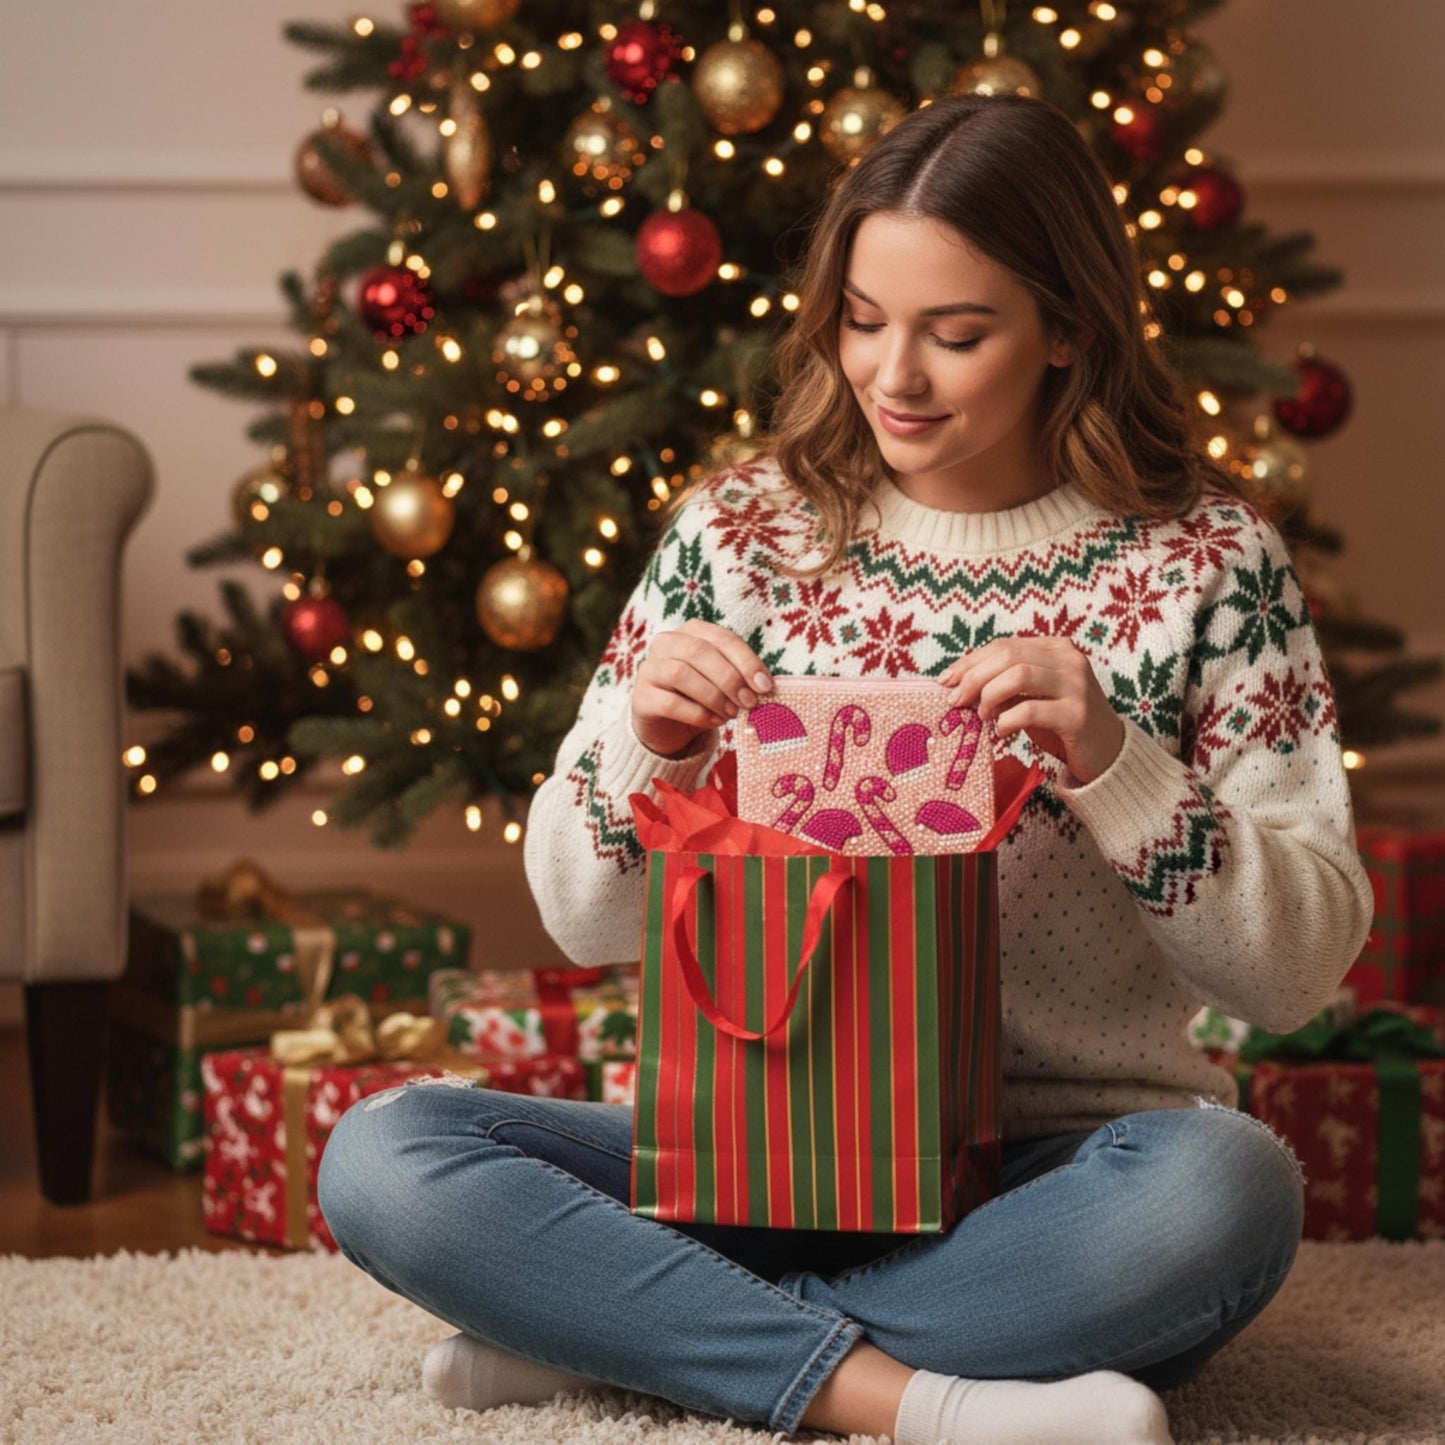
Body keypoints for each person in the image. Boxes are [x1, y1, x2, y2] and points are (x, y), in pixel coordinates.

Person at [318, 92, 1373, 1445]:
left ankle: (627, 1337)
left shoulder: (1208, 566)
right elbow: (580, 916)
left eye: (955, 333)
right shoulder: (738, 535)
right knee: (387, 1155)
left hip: (1055, 1163)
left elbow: (1292, 971)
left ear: (1069, 330)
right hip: (748, 1147)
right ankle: (906, 1397)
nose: (893, 377)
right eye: (863, 321)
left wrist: (1117, 760)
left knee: (1224, 1194)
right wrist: (647, 745)